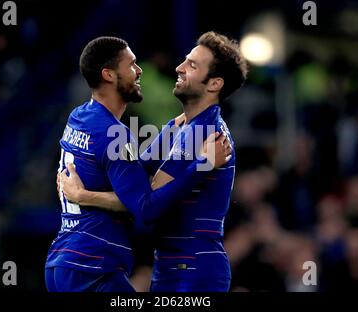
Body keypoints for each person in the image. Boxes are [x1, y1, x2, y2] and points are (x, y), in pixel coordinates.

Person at [60, 31, 248, 291]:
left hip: (194, 271)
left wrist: (85, 196)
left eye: (192, 65)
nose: (179, 68)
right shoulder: (179, 126)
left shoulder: (203, 132)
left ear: (214, 84)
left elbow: (147, 203)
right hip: (170, 267)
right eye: (185, 60)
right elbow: (137, 173)